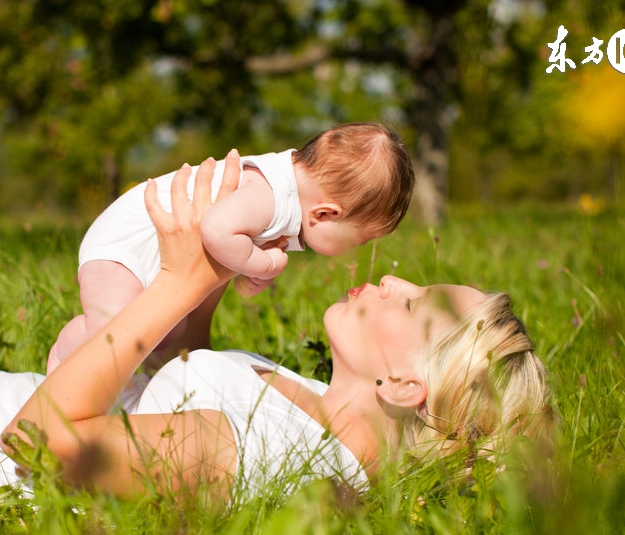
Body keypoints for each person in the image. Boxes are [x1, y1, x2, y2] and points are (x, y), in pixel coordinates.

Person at [0, 154, 554, 499]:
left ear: (404, 384)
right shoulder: (305, 407)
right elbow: (174, 376)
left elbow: (43, 444)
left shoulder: (268, 456)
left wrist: (173, 284)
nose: (392, 278)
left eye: (414, 304)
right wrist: (204, 273)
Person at [47, 122, 416, 372]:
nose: (353, 252)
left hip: (152, 249)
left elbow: (227, 249)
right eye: (358, 240)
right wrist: (264, 264)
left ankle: (123, 385)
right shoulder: (270, 196)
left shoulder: (286, 195)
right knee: (117, 336)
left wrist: (247, 268)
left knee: (163, 333)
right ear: (325, 213)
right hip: (127, 246)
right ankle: (69, 349)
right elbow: (216, 230)